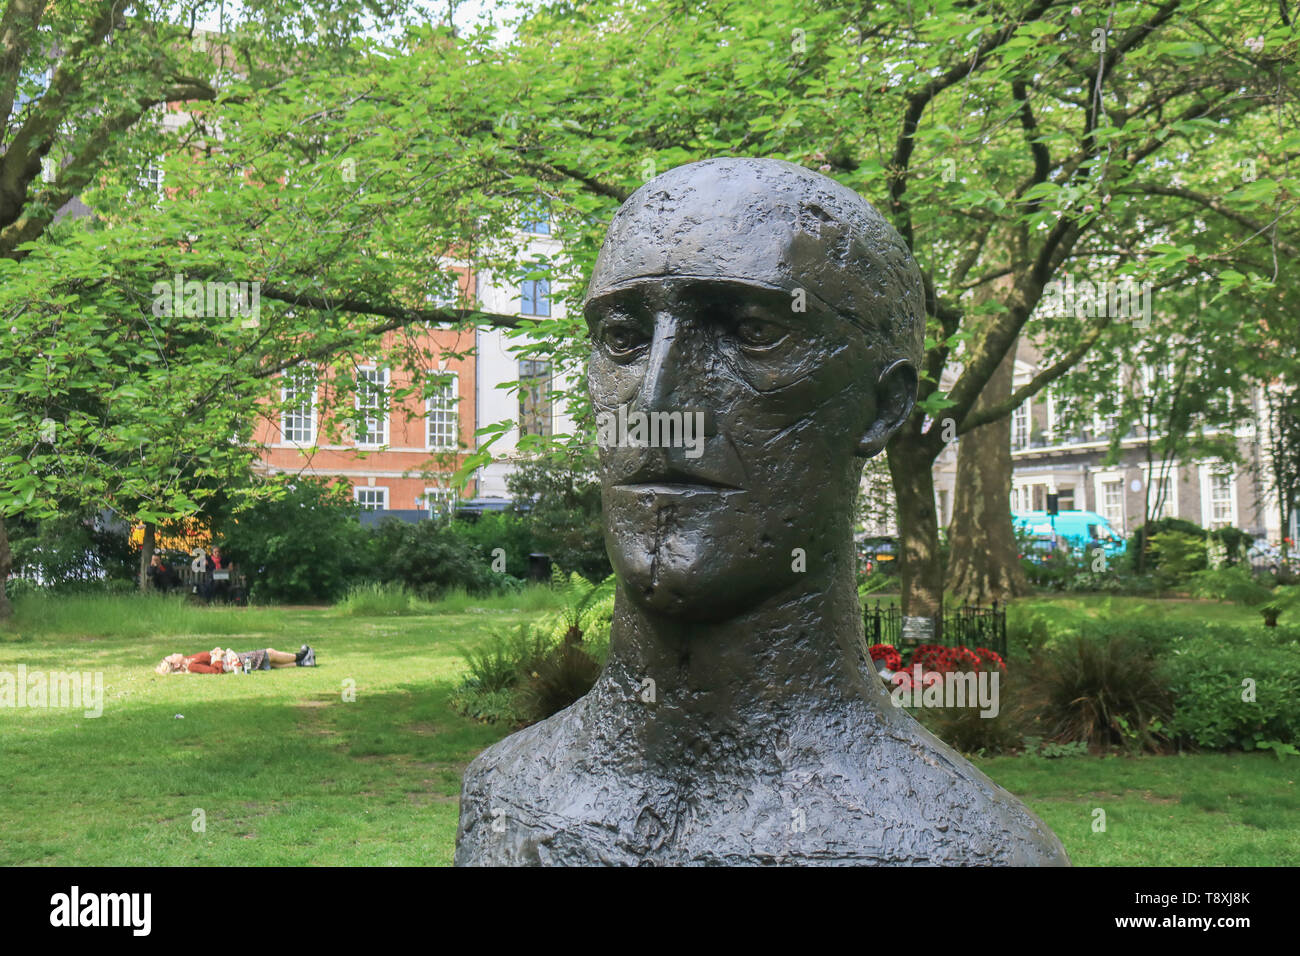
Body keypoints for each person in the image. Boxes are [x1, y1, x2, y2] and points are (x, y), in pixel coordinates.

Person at [455, 158, 1068, 866]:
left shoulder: (975, 852)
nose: (657, 411)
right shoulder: (503, 795)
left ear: (885, 405)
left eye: (751, 332)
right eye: (623, 338)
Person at [155, 645, 315, 674]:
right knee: (269, 653)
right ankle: (301, 656)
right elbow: (215, 671)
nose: (175, 652)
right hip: (233, 661)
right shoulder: (192, 666)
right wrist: (218, 656)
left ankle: (303, 663)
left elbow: (209, 658)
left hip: (230, 658)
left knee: (270, 663)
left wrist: (215, 651)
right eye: (173, 655)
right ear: (176, 664)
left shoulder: (189, 659)